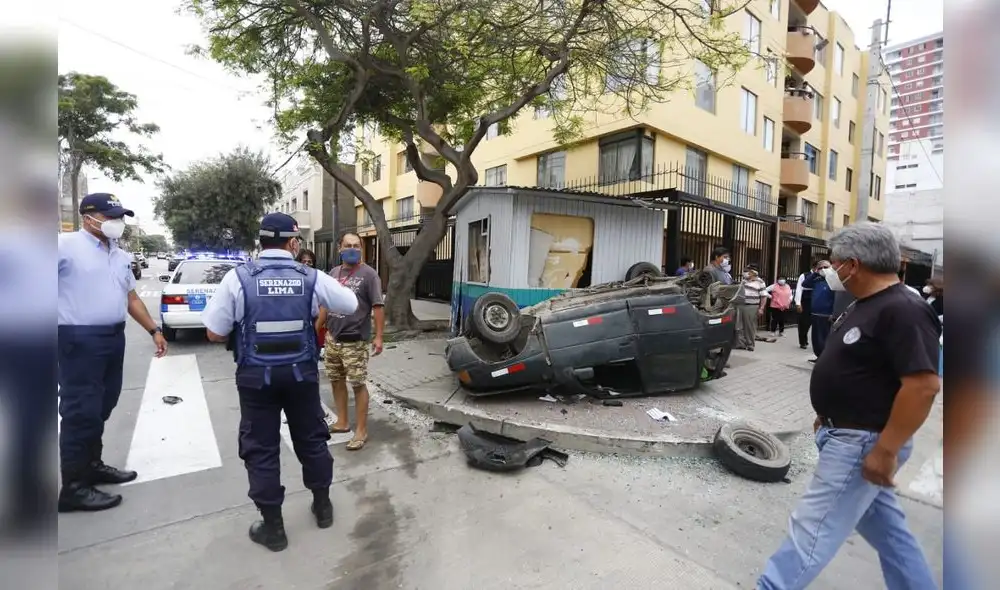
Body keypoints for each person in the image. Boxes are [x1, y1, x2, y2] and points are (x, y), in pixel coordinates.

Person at [757, 222, 940, 590]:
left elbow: (922, 386)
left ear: (852, 265)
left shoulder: (904, 309)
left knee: (812, 528)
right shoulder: (868, 304)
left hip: (862, 442)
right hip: (844, 432)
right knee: (889, 534)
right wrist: (826, 414)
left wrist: (886, 449)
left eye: (834, 262)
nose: (830, 270)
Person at [201, 213, 358, 552]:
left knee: (261, 448)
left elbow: (214, 332)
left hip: (256, 379)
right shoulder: (310, 275)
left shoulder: (237, 278)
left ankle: (273, 529)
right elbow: (350, 303)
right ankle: (323, 506)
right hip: (301, 376)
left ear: (261, 242)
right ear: (293, 243)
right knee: (312, 439)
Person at [58, 193, 168, 512]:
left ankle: (92, 465)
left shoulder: (118, 255)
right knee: (81, 411)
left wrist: (154, 329)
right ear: (88, 217)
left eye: (119, 217)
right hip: (77, 339)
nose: (116, 223)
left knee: (103, 403)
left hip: (112, 338)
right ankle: (74, 487)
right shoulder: (64, 247)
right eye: (110, 217)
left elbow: (131, 298)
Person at [317, 232, 385, 451]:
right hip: (332, 338)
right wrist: (315, 330)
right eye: (348, 245)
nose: (353, 249)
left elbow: (377, 307)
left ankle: (361, 430)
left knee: (357, 384)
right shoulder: (334, 273)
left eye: (357, 246)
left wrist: (379, 336)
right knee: (336, 380)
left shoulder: (369, 274)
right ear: (340, 249)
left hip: (355, 340)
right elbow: (325, 305)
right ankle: (343, 422)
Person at [801, 260, 834, 361]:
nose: (823, 270)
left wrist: (834, 312)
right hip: (815, 313)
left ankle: (825, 359)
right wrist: (815, 273)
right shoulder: (817, 280)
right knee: (816, 338)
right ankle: (818, 356)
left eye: (826, 267)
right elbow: (805, 284)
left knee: (825, 338)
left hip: (826, 314)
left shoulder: (833, 280)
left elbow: (837, 297)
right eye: (821, 268)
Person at [793, 258, 822, 350]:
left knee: (812, 322)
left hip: (816, 300)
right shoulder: (804, 275)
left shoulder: (822, 276)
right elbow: (799, 289)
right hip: (805, 300)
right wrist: (798, 303)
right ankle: (802, 341)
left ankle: (811, 340)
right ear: (814, 267)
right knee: (803, 322)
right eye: (819, 267)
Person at [737, 265, 766, 351]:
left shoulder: (760, 282)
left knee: (750, 326)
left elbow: (764, 296)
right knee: (739, 325)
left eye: (747, 271)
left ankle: (750, 344)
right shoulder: (743, 281)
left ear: (753, 272)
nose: (745, 272)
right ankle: (741, 343)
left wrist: (761, 308)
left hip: (752, 306)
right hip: (741, 304)